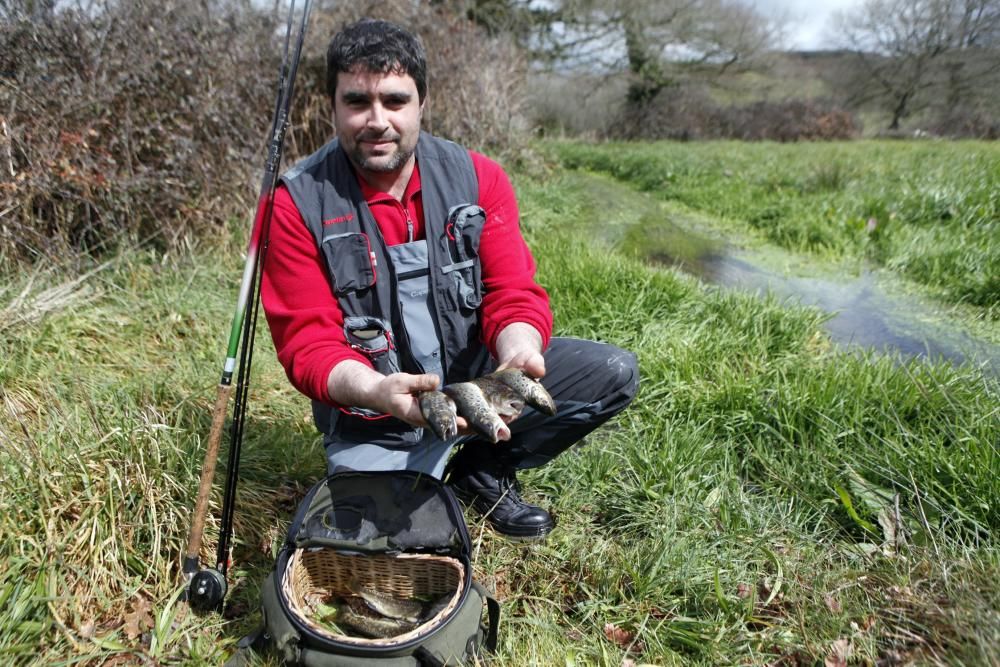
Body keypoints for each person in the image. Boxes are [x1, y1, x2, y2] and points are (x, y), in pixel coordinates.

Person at [261, 18, 638, 541]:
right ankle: (410, 472)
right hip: (376, 413)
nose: (377, 121)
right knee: (384, 545)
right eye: (356, 102)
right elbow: (308, 344)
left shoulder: (480, 177)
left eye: (395, 101)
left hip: (478, 385)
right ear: (332, 106)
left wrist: (519, 352)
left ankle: (481, 466)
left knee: (613, 372)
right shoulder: (292, 204)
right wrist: (377, 390)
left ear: (422, 103)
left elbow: (512, 293)